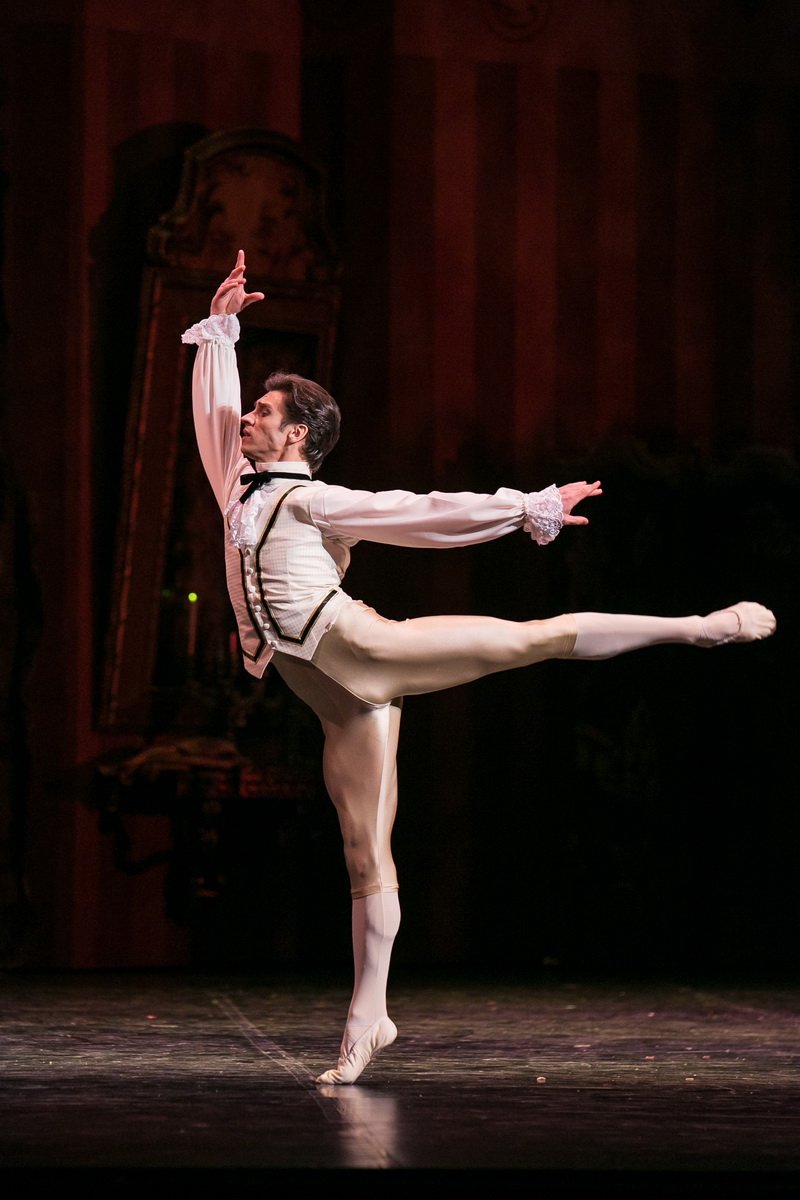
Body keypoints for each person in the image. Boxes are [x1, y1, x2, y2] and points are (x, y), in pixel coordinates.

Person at [181, 250, 776, 1086]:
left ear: (298, 435)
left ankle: (697, 629)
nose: (247, 418)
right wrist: (221, 332)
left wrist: (527, 507)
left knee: (532, 638)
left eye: (264, 411)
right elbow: (213, 418)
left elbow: (421, 513)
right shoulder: (238, 488)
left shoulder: (313, 498)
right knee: (365, 856)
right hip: (342, 702)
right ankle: (369, 1019)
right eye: (252, 408)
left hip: (370, 650)